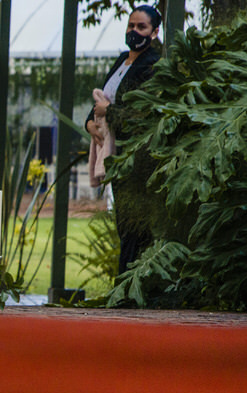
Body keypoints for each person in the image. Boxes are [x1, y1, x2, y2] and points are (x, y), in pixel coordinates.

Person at [85, 4, 163, 278]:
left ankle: (130, 284)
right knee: (124, 222)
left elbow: (144, 111)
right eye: (131, 26)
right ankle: (125, 284)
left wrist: (111, 113)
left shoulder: (152, 64)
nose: (134, 31)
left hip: (135, 157)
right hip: (114, 154)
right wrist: (90, 122)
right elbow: (102, 98)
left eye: (141, 27)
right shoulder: (121, 60)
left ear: (154, 32)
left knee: (134, 225)